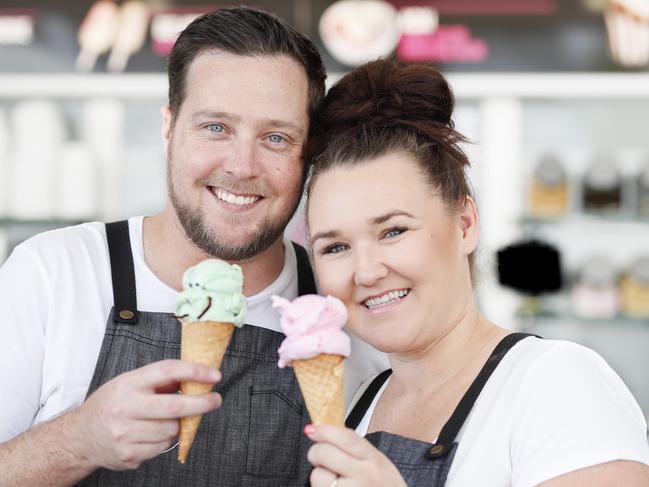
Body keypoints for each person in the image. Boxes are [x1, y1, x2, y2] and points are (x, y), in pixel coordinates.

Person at [0, 8, 385, 486]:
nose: (242, 165)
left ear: (308, 154)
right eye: (215, 128)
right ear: (169, 128)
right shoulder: (54, 272)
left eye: (276, 137)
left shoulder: (346, 314)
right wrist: (78, 439)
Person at [303, 59, 649, 486]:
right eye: (335, 247)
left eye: (393, 231)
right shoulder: (360, 404)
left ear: (465, 225)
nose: (366, 271)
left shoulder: (555, 383)